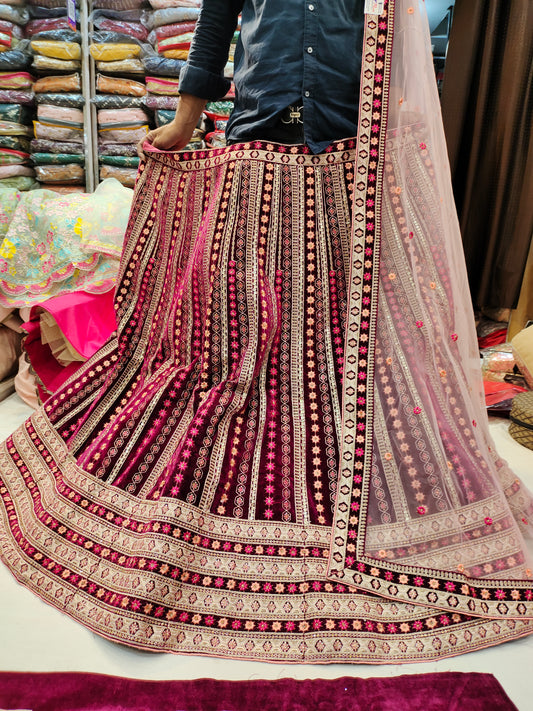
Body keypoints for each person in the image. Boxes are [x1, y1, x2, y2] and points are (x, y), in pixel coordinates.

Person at [2, 0, 533, 664]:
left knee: (343, 308)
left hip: (349, 153)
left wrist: (395, 122)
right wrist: (186, 123)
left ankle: (336, 436)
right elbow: (214, 32)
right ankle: (246, 433)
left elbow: (402, 35)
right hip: (257, 145)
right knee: (240, 314)